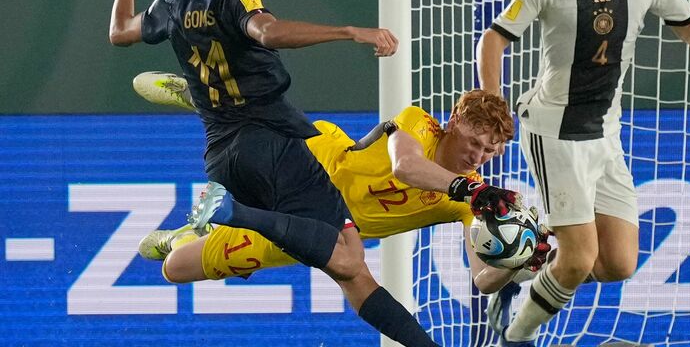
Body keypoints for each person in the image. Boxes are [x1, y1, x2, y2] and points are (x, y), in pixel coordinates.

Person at [109, 0, 449, 345]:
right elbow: (267, 32)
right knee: (351, 261)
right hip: (271, 145)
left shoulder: (175, 0)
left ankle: (206, 205)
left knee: (352, 274)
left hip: (222, 158)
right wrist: (351, 31)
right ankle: (232, 212)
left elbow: (119, 33)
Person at [475, 0, 690, 345]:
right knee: (577, 258)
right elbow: (492, 41)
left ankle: (518, 274)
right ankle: (516, 337)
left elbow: (689, 25)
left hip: (605, 135)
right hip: (555, 134)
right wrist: (493, 109)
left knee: (617, 263)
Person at [137, 87, 551, 296]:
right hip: (313, 161)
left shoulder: (468, 200)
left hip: (316, 227)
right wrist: (469, 191)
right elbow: (406, 167)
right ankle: (204, 97)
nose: (478, 157)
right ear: (454, 120)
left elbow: (481, 279)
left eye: (489, 151)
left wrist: (517, 263)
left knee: (175, 268)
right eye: (474, 143)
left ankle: (181, 237)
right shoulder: (418, 123)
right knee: (247, 128)